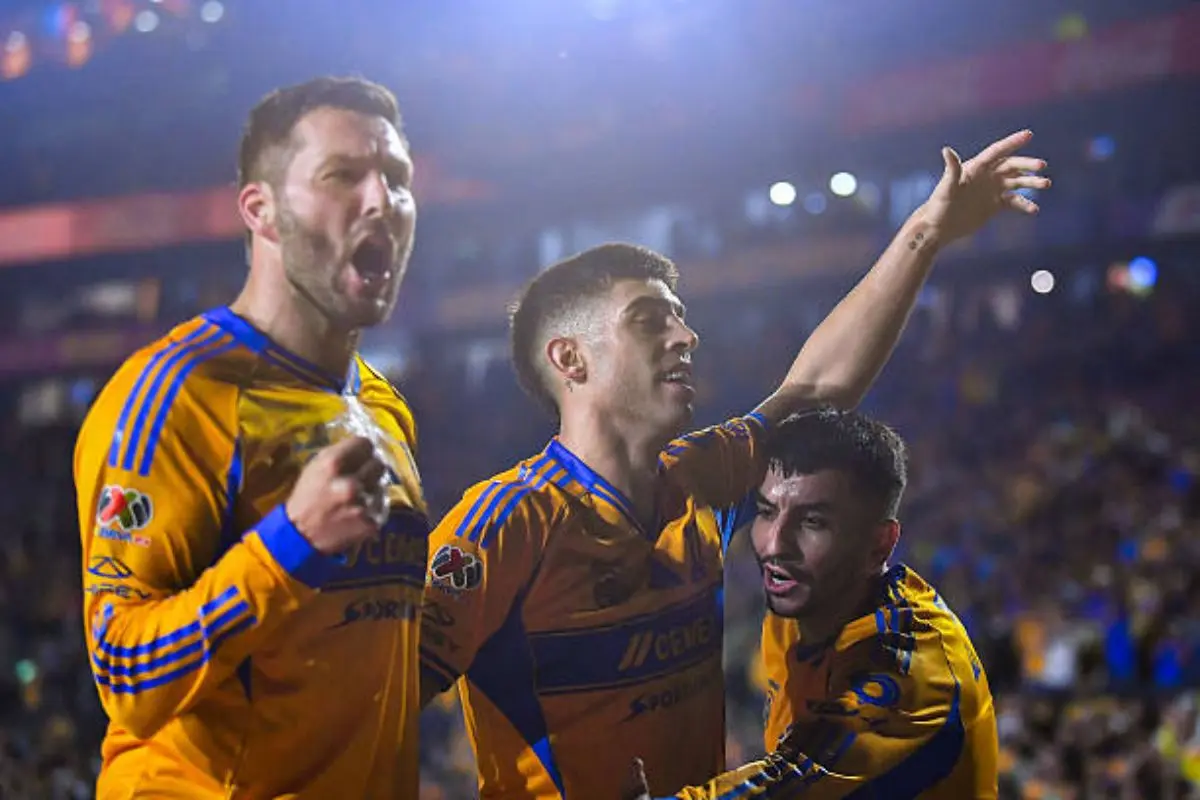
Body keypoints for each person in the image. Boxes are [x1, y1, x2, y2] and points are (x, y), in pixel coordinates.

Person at [418, 130, 1047, 798]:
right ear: (570, 359)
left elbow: (814, 392)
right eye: (650, 320)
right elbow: (379, 701)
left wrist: (925, 233)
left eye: (681, 318)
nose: (686, 336)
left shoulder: (701, 478)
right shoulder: (504, 525)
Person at [74, 76, 428, 798]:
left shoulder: (383, 407)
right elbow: (124, 672)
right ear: (261, 211)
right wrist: (291, 542)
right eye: (342, 175)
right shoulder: (177, 394)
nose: (380, 200)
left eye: (396, 177)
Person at [623, 408, 998, 799]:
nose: (774, 546)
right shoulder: (799, 608)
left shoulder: (916, 670)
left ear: (879, 544)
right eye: (767, 512)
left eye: (813, 522)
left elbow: (791, 783)